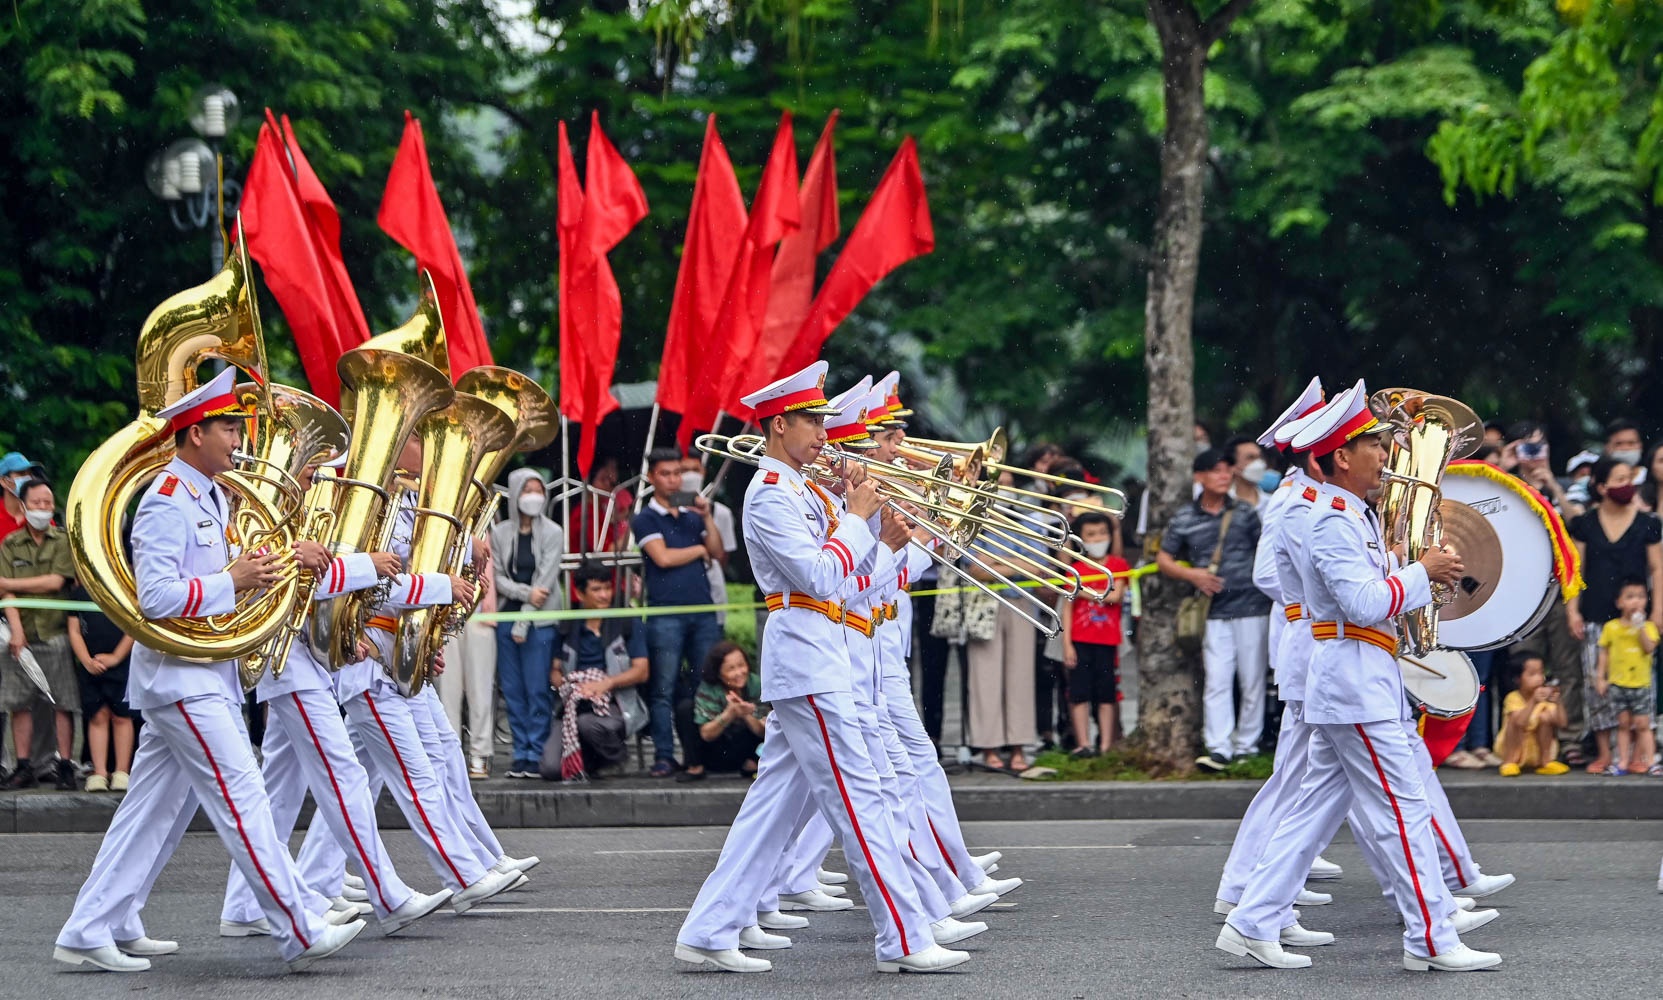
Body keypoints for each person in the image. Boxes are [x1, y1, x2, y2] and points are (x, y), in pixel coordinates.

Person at [54, 368, 366, 973]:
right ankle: (297, 925)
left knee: (151, 814)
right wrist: (235, 578)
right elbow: (156, 599)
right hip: (182, 679)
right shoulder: (166, 499)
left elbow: (229, 579)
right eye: (227, 427)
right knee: (243, 798)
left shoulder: (215, 495)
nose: (237, 438)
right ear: (194, 433)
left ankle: (94, 926)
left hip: (202, 675)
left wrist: (268, 562)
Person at [674, 361, 966, 974]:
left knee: (773, 805)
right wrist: (859, 520)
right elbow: (821, 576)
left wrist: (890, 541)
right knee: (861, 801)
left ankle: (709, 928)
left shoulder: (805, 490)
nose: (823, 433)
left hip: (822, 655)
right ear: (779, 425)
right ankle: (904, 938)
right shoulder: (769, 496)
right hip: (808, 662)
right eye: (812, 420)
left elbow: (855, 586)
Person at [1218, 379, 1501, 973]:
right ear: (1341, 457)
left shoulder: (1347, 513)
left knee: (1314, 808)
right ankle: (1430, 935)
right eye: (1374, 443)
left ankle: (1251, 918)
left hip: (1356, 676)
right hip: (1354, 679)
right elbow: (1364, 604)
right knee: (1401, 808)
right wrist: (1422, 572)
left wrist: (1418, 568)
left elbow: (1369, 592)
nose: (1385, 453)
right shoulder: (1330, 518)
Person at [219, 456, 453, 941]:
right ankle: (387, 895)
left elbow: (312, 590)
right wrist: (366, 566)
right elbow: (291, 579)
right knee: (342, 775)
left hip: (303, 658)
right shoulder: (267, 509)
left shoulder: (298, 512)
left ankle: (243, 905)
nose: (321, 480)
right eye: (315, 470)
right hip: (290, 663)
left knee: (279, 792)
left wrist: (348, 636)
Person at [1158, 447, 1271, 770]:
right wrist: (1191, 574)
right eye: (1216, 471)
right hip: (1213, 611)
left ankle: (1247, 745)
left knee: (1252, 680)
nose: (1224, 476)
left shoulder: (1246, 513)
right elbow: (1163, 559)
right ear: (1199, 477)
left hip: (1252, 606)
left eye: (1226, 470)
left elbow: (1264, 553)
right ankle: (1219, 747)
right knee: (1218, 680)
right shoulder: (1184, 517)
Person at [1566, 457, 1663, 772]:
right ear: (1601, 486)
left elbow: (1657, 568)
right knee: (1598, 682)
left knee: (1638, 684)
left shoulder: (1648, 523)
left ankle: (1638, 754)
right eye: (1619, 480)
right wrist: (1572, 611)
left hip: (1636, 618)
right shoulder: (1585, 523)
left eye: (1629, 478)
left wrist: (1658, 611)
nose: (1626, 485)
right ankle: (1605, 753)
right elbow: (1575, 569)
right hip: (1594, 614)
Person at [631, 448, 723, 777]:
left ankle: (699, 757)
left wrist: (708, 517)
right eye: (666, 474)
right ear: (651, 477)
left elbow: (718, 553)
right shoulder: (644, 517)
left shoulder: (692, 515)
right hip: (665, 614)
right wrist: (698, 549)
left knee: (705, 685)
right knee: (663, 689)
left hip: (702, 612)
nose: (673, 480)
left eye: (677, 474)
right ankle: (665, 755)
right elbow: (663, 558)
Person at [1, 478, 80, 790]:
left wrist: (11, 585)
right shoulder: (10, 544)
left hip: (56, 630)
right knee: (18, 702)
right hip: (21, 632)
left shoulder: (62, 539)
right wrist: (16, 632)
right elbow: (4, 593)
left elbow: (56, 581)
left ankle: (64, 765)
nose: (43, 508)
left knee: (63, 702)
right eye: (37, 503)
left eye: (48, 503)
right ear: (23, 506)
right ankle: (23, 766)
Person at [965, 469, 1042, 771]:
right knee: (984, 676)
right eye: (999, 485)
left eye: (1009, 485)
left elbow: (1036, 566)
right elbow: (975, 569)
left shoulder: (1027, 523)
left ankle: (1020, 746)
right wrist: (1015, 563)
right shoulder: (976, 524)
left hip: (1021, 602)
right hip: (984, 604)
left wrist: (997, 564)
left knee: (1021, 675)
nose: (1005, 490)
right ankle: (988, 747)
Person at [490, 468, 564, 779]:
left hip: (540, 621)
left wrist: (523, 623)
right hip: (506, 618)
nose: (534, 496)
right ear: (515, 493)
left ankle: (536, 752)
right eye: (527, 490)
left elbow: (544, 583)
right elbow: (497, 578)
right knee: (512, 688)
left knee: (536, 688)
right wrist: (522, 595)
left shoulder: (553, 532)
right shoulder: (500, 532)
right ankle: (519, 752)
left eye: (539, 490)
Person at [544, 560, 648, 781]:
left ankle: (617, 759)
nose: (604, 595)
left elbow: (642, 671)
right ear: (580, 594)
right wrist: (568, 686)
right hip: (573, 704)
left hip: (613, 703)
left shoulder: (625, 621)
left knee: (588, 724)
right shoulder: (568, 625)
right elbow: (554, 670)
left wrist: (606, 683)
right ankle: (589, 763)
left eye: (607, 588)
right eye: (597, 589)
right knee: (551, 769)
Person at [1062, 511, 1128, 756]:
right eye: (1091, 534)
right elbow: (1067, 609)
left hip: (1108, 641)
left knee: (1107, 693)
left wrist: (1081, 590)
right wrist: (1066, 644)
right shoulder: (1075, 569)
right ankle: (1083, 744)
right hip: (1079, 640)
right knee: (1079, 692)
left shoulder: (1118, 566)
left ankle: (1106, 745)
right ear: (1081, 539)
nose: (1098, 538)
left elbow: (1116, 596)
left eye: (1102, 533)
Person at [66, 577, 136, 792]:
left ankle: (122, 771)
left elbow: (134, 627)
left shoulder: (126, 589)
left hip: (121, 664)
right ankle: (99, 772)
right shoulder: (80, 593)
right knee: (97, 716)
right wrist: (86, 660)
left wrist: (116, 657)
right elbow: (74, 630)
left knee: (122, 717)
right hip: (91, 665)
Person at [438, 532, 497, 779]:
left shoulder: (485, 530)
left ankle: (480, 753)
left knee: (480, 688)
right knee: (447, 691)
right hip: (445, 612)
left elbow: (490, 570)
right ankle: (450, 756)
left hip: (479, 615)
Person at [1593, 579, 1659, 775]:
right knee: (1622, 724)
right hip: (1617, 683)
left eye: (1640, 597)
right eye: (1630, 597)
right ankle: (1622, 761)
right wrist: (1600, 678)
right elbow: (1604, 653)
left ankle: (1651, 761)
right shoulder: (1611, 627)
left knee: (1643, 725)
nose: (1636, 602)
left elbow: (1649, 648)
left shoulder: (1649, 627)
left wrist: (1640, 628)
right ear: (1619, 602)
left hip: (1640, 684)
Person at [676, 641, 765, 779]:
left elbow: (764, 730)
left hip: (745, 752)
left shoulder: (755, 684)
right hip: (714, 751)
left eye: (741, 665)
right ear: (718, 673)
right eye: (731, 669)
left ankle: (752, 764)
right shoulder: (708, 689)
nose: (739, 673)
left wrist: (746, 715)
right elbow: (706, 734)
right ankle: (695, 767)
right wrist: (730, 713)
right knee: (685, 708)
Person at [680, 453, 737, 626]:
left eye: (695, 470)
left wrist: (706, 517)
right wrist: (699, 552)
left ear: (703, 472)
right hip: (675, 599)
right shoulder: (665, 510)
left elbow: (722, 557)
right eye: (684, 470)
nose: (690, 475)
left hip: (712, 593)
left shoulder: (720, 512)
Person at [1495, 655, 1569, 777]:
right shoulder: (1513, 697)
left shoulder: (1544, 699)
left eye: (1541, 673)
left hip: (1535, 750)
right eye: (1532, 674)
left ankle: (1546, 762)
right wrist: (1533, 702)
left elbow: (1562, 723)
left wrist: (1558, 702)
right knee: (1514, 718)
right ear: (1517, 679)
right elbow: (1520, 723)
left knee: (1545, 716)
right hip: (1515, 748)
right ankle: (1509, 762)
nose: (1539, 678)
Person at [0, 452, 45, 541]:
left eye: (30, 474)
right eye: (21, 473)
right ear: (4, 481)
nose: (28, 478)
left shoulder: (41, 514)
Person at [1223, 434, 1272, 509]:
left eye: (1260, 457)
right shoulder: (1222, 505)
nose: (1258, 462)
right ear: (1232, 467)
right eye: (1250, 457)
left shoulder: (1271, 503)